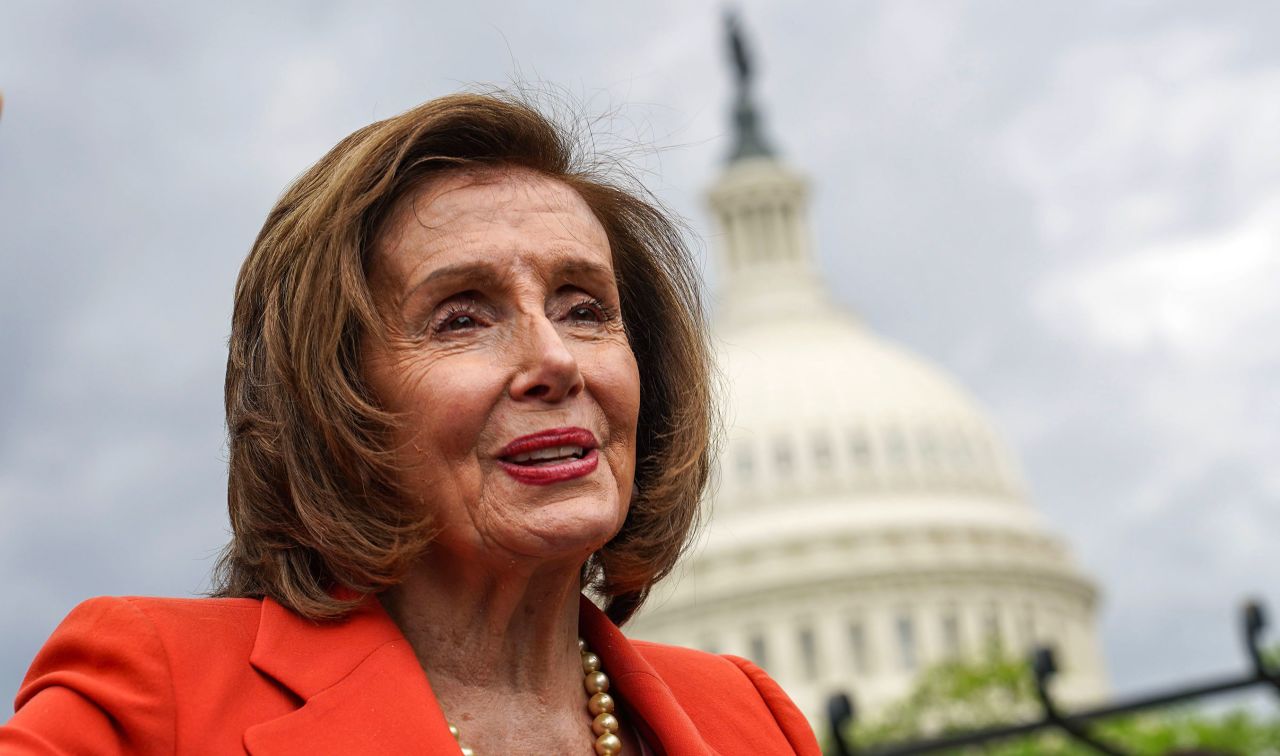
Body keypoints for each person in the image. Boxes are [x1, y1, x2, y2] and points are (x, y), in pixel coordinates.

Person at [1, 92, 820, 755]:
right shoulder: (155, 698)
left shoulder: (751, 720)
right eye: (461, 318)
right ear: (334, 401)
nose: (555, 361)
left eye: (584, 309)